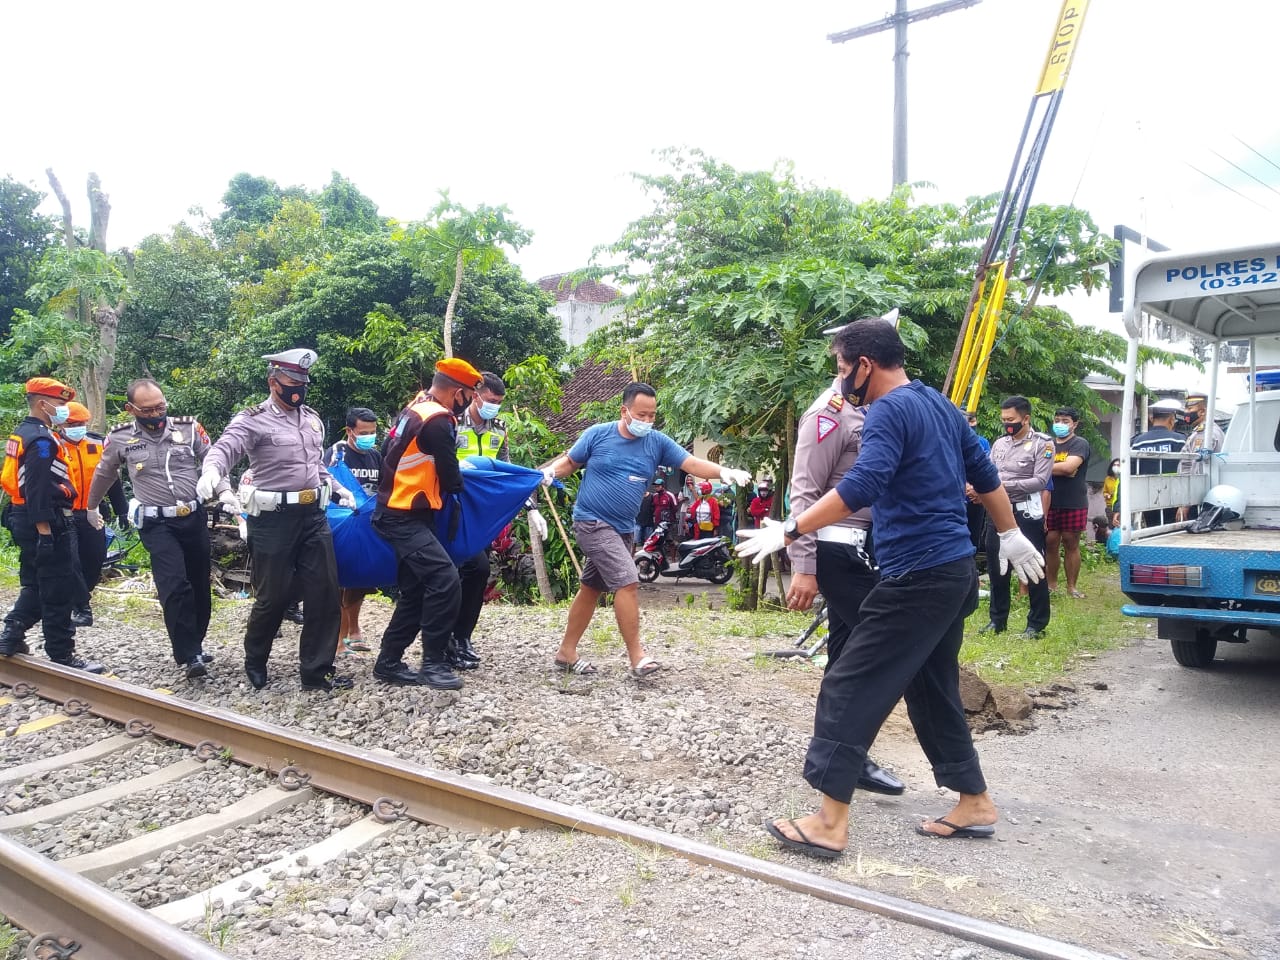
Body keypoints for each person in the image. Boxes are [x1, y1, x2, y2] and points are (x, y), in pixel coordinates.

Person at [736, 317, 1044, 855]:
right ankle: (973, 801)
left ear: (865, 365)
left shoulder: (884, 412)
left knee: (849, 681)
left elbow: (862, 486)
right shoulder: (939, 405)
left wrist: (791, 527)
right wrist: (1009, 533)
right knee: (930, 686)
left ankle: (829, 823)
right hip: (953, 573)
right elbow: (987, 479)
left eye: (840, 367)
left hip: (917, 576)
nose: (838, 379)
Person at [542, 382, 753, 678]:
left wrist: (724, 472)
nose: (647, 421)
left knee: (591, 588)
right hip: (591, 521)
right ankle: (637, 657)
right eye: (641, 414)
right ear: (624, 411)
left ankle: (566, 652)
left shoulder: (657, 442)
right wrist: (549, 472)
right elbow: (570, 462)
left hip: (624, 528)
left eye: (652, 415)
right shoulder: (597, 435)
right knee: (628, 582)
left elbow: (691, 463)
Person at [198, 348, 357, 692]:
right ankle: (255, 657)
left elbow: (316, 466)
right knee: (274, 596)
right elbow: (225, 448)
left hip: (313, 515)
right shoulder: (253, 419)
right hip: (272, 520)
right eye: (291, 381)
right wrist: (212, 470)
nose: (298, 387)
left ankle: (317, 672)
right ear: (273, 382)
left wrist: (338, 487)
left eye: (303, 381)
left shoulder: (312, 419)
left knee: (325, 593)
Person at [784, 358, 903, 797]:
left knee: (846, 655)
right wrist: (805, 566)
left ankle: (839, 753)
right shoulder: (828, 414)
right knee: (873, 653)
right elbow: (805, 490)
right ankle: (848, 757)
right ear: (861, 365)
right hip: (838, 548)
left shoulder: (872, 409)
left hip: (866, 545)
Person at [88, 379, 229, 678]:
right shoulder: (120, 438)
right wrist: (91, 507)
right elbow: (104, 473)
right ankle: (189, 654)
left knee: (199, 585)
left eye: (161, 406)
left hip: (192, 516)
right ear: (131, 409)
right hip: (156, 523)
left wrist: (225, 491)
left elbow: (214, 460)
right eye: (148, 409)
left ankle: (196, 643)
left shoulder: (189, 429)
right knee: (174, 585)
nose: (156, 414)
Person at [371, 358, 484, 690]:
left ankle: (388, 663)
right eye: (469, 396)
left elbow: (386, 450)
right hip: (403, 515)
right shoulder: (438, 420)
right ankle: (433, 663)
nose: (469, 403)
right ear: (458, 392)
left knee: (416, 591)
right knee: (446, 579)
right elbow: (451, 479)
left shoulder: (416, 407)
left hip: (402, 510)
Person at [0, 377, 104, 672]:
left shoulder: (23, 432)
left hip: (22, 516)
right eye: (60, 404)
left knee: (35, 581)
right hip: (45, 521)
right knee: (59, 587)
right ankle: (62, 654)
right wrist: (45, 533)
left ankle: (12, 634)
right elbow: (39, 489)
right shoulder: (42, 440)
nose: (64, 410)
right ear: (43, 403)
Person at [449, 371, 548, 671]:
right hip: (450, 507)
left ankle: (463, 637)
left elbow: (506, 473)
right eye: (491, 401)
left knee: (478, 572)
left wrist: (531, 506)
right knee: (448, 576)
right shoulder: (451, 422)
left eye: (499, 403)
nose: (495, 407)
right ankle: (441, 642)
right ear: (475, 394)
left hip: (481, 513)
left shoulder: (499, 428)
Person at [975, 396, 1053, 638]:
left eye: (1012, 420)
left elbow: (1039, 481)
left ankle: (1037, 624)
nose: (1007, 424)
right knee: (997, 567)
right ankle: (997, 621)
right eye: (1004, 420)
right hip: (997, 512)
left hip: (1025, 512)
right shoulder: (999, 444)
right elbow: (987, 474)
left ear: (1026, 418)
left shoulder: (1043, 444)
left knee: (1032, 566)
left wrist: (999, 486)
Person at [58, 401, 128, 628]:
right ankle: (81, 607)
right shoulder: (53, 445)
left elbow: (113, 480)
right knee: (71, 561)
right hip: (64, 513)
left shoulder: (98, 443)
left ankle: (79, 596)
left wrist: (122, 512)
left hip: (93, 511)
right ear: (62, 425)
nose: (77, 427)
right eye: (72, 424)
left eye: (81, 423)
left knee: (95, 558)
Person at [324, 406, 383, 654]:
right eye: (363, 432)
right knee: (338, 580)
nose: (368, 436)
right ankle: (337, 637)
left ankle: (353, 629)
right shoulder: (337, 453)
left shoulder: (376, 456)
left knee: (360, 579)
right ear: (350, 431)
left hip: (367, 526)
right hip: (341, 523)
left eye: (372, 432)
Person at [1045, 406, 1091, 598]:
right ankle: (1051, 585)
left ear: (1075, 424)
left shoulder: (1080, 443)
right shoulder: (1047, 444)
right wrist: (1061, 468)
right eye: (1057, 420)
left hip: (1074, 501)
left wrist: (1044, 467)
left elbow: (1070, 468)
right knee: (1050, 542)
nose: (1060, 424)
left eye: (1065, 421)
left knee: (1071, 543)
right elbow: (1064, 469)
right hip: (1049, 500)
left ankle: (1072, 587)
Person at [1132, 397, 1186, 528]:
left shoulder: (1137, 442)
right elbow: (1187, 470)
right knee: (1174, 534)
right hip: (1174, 497)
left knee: (1153, 531)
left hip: (1147, 498)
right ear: (1172, 419)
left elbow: (1130, 472)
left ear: (1151, 418)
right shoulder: (1180, 440)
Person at [1176, 393, 1226, 521]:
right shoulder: (1202, 432)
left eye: (1189, 409)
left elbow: (1196, 469)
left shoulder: (1205, 434)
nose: (1186, 413)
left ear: (1202, 412)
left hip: (1198, 500)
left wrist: (1187, 502)